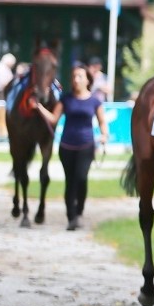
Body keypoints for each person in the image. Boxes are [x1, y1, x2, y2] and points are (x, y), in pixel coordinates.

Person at [36, 63, 108, 231]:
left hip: (87, 145)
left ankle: (80, 211)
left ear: (87, 80)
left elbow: (102, 121)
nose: (76, 80)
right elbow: (54, 118)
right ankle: (71, 217)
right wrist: (38, 107)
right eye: (74, 76)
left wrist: (104, 135)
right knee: (70, 181)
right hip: (67, 145)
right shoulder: (66, 99)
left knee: (81, 178)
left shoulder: (94, 101)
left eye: (80, 76)